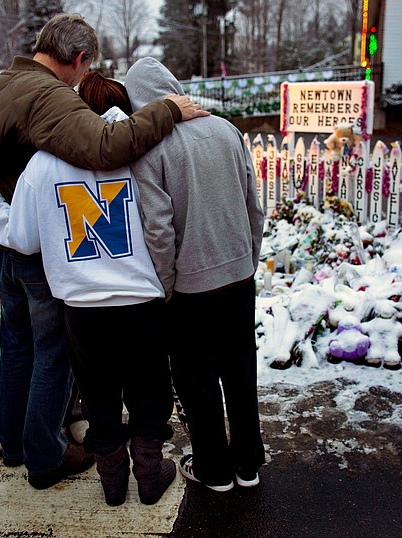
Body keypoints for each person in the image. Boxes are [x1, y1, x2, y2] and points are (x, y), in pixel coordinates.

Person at [0, 13, 208, 491]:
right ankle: (45, 454)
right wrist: (170, 109)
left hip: (6, 239)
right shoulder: (49, 95)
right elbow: (105, 147)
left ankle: (11, 438)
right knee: (54, 357)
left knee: (17, 348)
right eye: (84, 69)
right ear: (78, 60)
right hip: (40, 247)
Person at [0, 72, 177, 506]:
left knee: (98, 395)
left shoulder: (43, 164)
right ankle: (149, 473)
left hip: (82, 306)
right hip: (140, 300)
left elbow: (24, 238)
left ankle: (112, 483)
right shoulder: (139, 151)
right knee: (148, 392)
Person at [125, 57, 266, 492]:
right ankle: (248, 463)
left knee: (197, 380)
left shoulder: (151, 149)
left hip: (190, 284)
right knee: (241, 371)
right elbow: (252, 205)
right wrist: (249, 257)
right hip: (239, 274)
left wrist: (166, 286)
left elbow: (158, 229)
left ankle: (214, 469)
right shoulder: (225, 130)